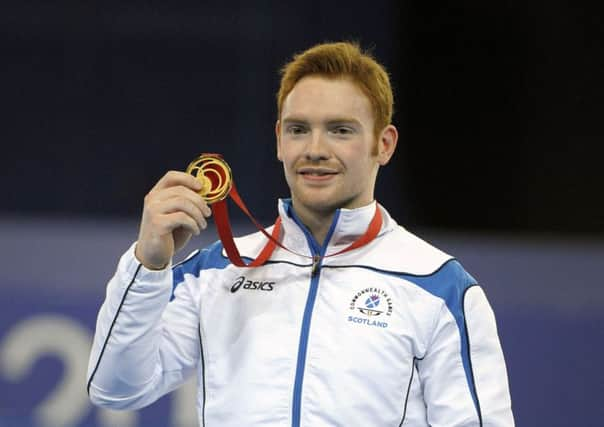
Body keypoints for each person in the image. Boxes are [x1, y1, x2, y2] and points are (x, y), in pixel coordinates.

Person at [87, 41, 514, 426]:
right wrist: (149, 264)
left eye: (340, 130)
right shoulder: (214, 273)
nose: (314, 149)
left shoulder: (438, 287)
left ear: (384, 144)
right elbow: (117, 388)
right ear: (278, 140)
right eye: (298, 129)